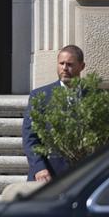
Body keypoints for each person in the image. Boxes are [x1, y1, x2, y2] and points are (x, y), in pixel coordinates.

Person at [22, 45, 86, 182]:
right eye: (61, 63)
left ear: (82, 66)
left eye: (70, 64)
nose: (64, 68)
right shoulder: (40, 96)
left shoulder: (93, 97)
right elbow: (30, 137)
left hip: (82, 175)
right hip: (48, 175)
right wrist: (39, 167)